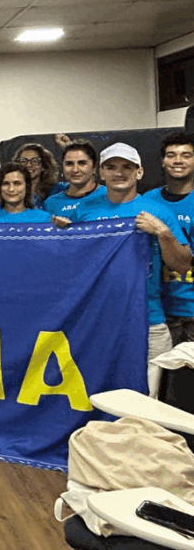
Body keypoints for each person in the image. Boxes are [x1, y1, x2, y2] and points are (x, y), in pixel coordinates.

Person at [72, 142, 192, 398]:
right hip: (99, 319)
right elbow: (72, 264)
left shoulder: (158, 212)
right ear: (101, 173)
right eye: (111, 167)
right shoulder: (85, 211)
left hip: (149, 319)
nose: (119, 173)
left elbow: (182, 264)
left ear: (139, 172)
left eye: (127, 167)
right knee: (101, 395)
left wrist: (163, 233)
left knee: (151, 399)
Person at [143, 132, 194, 346]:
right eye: (171, 155)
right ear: (163, 162)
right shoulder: (147, 200)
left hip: (191, 309)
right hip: (156, 310)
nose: (178, 160)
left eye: (186, 155)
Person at [0, 164, 67, 224]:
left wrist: (63, 227)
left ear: (27, 187)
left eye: (17, 183)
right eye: (5, 184)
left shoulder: (45, 219)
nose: (11, 189)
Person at [43, 140, 105, 217]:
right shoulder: (51, 204)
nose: (75, 170)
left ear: (94, 168)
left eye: (82, 163)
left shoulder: (109, 196)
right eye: (69, 164)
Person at [13, 142, 60, 208]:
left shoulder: (57, 189)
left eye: (35, 161)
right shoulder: (10, 191)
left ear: (44, 166)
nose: (28, 165)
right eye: (23, 161)